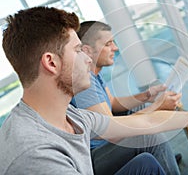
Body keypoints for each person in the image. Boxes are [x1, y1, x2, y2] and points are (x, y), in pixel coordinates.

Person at [0, 6, 188, 174]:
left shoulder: (69, 116)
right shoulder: (36, 155)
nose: (87, 59)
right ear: (51, 63)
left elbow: (143, 125)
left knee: (147, 160)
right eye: (77, 51)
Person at [71, 21, 182, 175]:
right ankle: (161, 157)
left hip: (106, 145)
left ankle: (162, 157)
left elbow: (114, 103)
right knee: (150, 137)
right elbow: (112, 133)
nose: (115, 48)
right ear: (87, 50)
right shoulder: (84, 84)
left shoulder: (94, 72)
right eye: (108, 44)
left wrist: (148, 95)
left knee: (141, 107)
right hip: (94, 159)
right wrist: (157, 106)